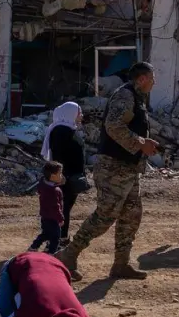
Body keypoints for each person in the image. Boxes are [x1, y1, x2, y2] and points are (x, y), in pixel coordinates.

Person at [57, 63, 161, 281]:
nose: (154, 82)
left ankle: (121, 264)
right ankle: (69, 254)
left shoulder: (136, 98)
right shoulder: (125, 96)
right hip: (114, 167)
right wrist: (141, 143)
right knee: (105, 215)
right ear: (141, 79)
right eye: (152, 77)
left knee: (131, 215)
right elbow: (113, 126)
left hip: (129, 168)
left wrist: (143, 145)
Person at [42, 101, 87, 240]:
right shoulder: (61, 131)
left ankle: (59, 237)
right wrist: (61, 176)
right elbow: (59, 155)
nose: (81, 115)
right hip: (66, 178)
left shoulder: (66, 129)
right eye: (79, 112)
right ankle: (59, 239)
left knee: (64, 207)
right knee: (63, 208)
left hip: (70, 176)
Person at [29, 161, 66, 253]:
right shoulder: (54, 191)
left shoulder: (43, 184)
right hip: (53, 219)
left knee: (45, 234)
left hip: (44, 216)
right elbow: (56, 207)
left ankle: (34, 247)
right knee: (55, 237)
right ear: (53, 176)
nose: (61, 176)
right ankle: (51, 253)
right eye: (60, 173)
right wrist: (60, 219)